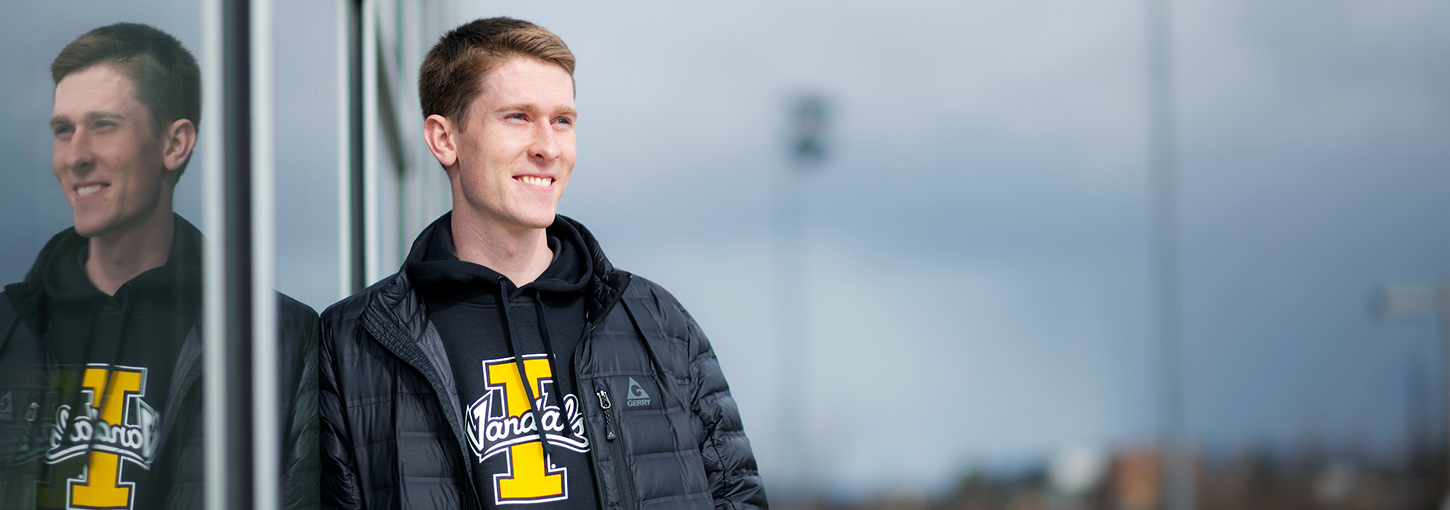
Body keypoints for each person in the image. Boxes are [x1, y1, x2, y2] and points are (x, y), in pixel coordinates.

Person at [319, 17, 767, 510]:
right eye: (517, 117)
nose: (547, 147)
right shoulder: (354, 339)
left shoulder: (659, 324)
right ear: (445, 140)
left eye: (562, 121)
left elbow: (738, 498)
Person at [0, 23, 318, 509]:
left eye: (104, 124)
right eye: (64, 129)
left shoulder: (280, 336)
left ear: (175, 144)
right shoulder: (9, 328)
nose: (75, 156)